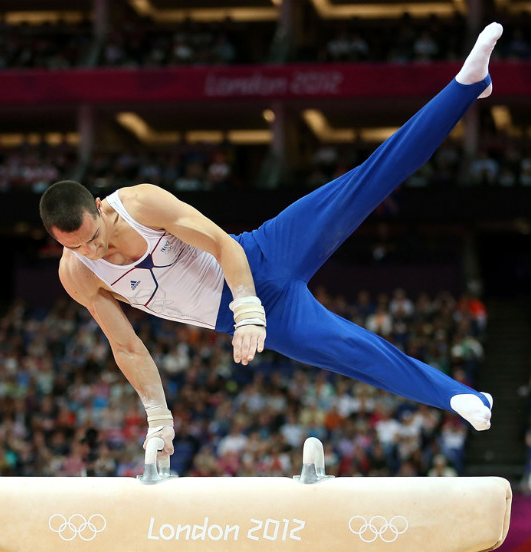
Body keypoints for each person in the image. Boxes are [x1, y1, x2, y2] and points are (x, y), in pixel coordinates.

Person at [38, 23, 504, 461]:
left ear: (100, 207)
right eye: (78, 248)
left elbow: (223, 245)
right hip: (266, 317)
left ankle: (464, 87)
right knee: (353, 353)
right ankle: (456, 393)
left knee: (368, 181)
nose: (93, 252)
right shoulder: (77, 274)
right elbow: (127, 346)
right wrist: (158, 417)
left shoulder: (142, 205)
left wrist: (247, 310)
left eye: (94, 239)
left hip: (263, 254)